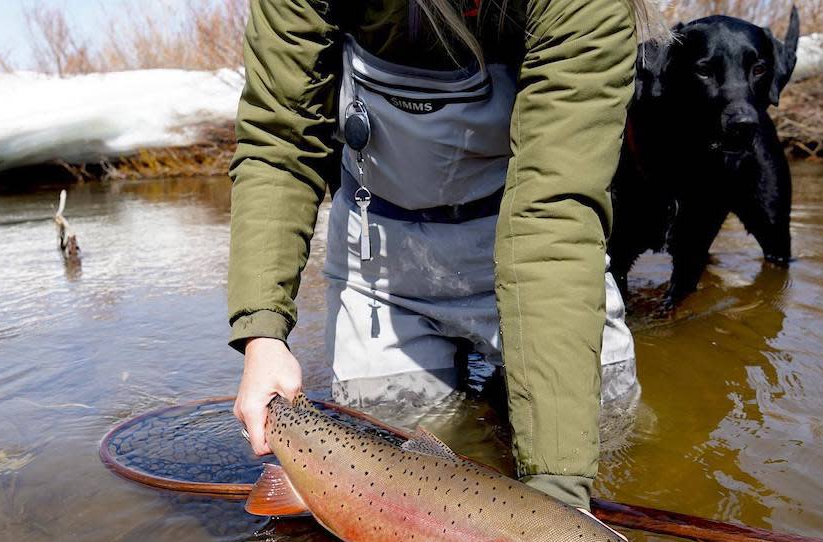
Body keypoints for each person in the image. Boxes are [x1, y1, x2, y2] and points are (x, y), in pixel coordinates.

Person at [229, 0, 659, 510]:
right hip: (380, 260)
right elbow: (280, 140)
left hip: (531, 248)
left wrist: (558, 494)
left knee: (608, 434)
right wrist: (262, 335)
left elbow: (555, 217)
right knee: (390, 478)